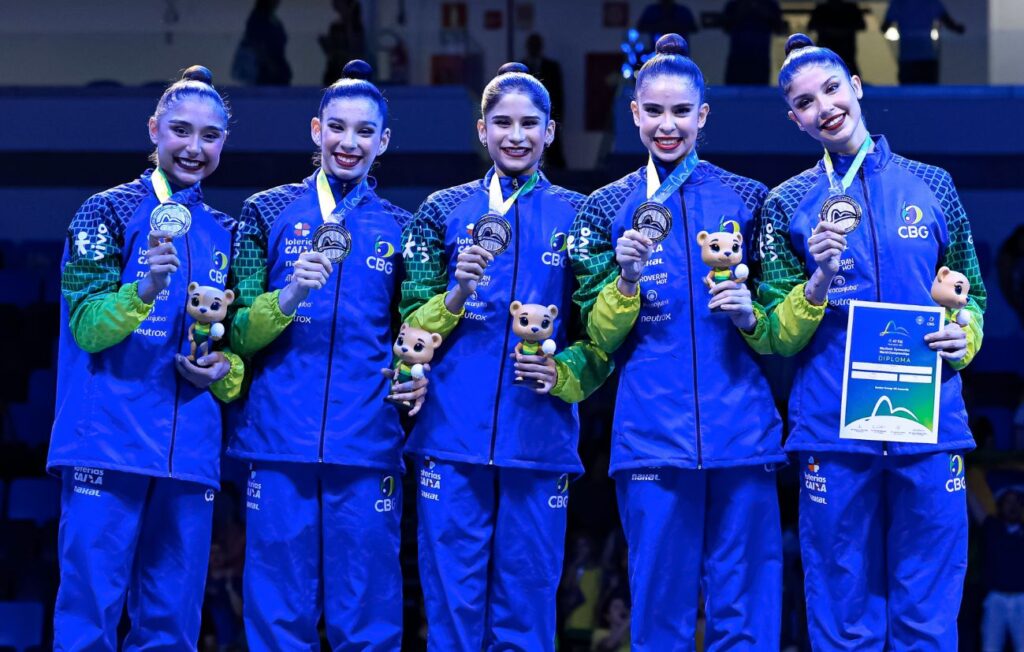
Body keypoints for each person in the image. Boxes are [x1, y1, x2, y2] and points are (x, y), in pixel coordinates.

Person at [760, 33, 987, 648]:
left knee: (928, 612)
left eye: (832, 89)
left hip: (930, 425)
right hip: (833, 433)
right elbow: (776, 334)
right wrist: (818, 281)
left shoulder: (932, 186)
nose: (824, 107)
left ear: (856, 88)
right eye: (806, 103)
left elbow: (976, 297)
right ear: (794, 120)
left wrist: (962, 337)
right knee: (841, 613)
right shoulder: (786, 205)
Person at [569, 33, 785, 650]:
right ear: (634, 112)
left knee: (746, 616)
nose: (668, 126)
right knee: (658, 618)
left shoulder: (749, 200)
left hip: (742, 437)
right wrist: (627, 279)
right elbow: (599, 336)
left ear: (703, 116)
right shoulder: (603, 209)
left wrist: (750, 313)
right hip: (651, 442)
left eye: (682, 112)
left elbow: (777, 331)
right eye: (655, 111)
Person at [399, 62, 612, 651]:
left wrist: (563, 371)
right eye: (502, 123)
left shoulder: (582, 215)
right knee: (452, 611)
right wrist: (455, 295)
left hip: (538, 439)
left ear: (550, 131)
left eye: (529, 123)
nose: (515, 135)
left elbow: (602, 336)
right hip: (450, 436)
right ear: (481, 130)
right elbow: (409, 325)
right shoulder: (439, 212)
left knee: (527, 609)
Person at [227, 60, 421, 649]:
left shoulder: (402, 228)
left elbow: (417, 333)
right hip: (279, 440)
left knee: (368, 617)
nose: (349, 142)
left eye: (365, 132)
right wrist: (288, 296)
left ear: (383, 141)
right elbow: (236, 330)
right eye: (338, 128)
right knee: (277, 619)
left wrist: (417, 374)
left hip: (366, 442)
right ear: (316, 131)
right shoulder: (266, 213)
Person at [47, 65, 243, 649]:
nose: (194, 147)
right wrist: (143, 293)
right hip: (106, 443)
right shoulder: (101, 213)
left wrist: (224, 370)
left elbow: (230, 352)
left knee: (172, 628)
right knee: (89, 617)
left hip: (188, 455)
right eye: (181, 131)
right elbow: (86, 327)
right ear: (154, 129)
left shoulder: (229, 233)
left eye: (209, 137)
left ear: (222, 144)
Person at [969, 487, 1024, 652]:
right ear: (1000, 505)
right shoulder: (992, 527)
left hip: (1022, 599)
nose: (1012, 506)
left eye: (1016, 502)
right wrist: (961, 477)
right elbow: (974, 504)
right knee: (990, 648)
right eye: (1008, 501)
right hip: (995, 599)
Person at [882, 0, 965, 84]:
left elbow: (884, 27)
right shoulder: (931, 2)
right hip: (926, 57)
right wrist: (959, 28)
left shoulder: (899, 3)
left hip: (908, 57)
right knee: (928, 93)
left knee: (908, 93)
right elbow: (949, 23)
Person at [524, 33, 566, 169]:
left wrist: (559, 117)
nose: (534, 48)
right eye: (532, 45)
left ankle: (559, 179)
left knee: (554, 151)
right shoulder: (521, 67)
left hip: (549, 115)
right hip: (525, 116)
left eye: (536, 45)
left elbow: (559, 94)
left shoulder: (552, 67)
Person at [722, 0, 786, 85]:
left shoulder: (770, 5)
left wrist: (763, 12)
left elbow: (779, 28)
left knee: (759, 90)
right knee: (734, 88)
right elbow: (725, 26)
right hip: (738, 58)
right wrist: (743, 10)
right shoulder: (734, 4)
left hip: (760, 58)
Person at [232, 0, 292, 86]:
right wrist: (269, 63)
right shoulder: (258, 18)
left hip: (277, 67)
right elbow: (256, 43)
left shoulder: (272, 19)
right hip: (265, 70)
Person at [808, 0, 866, 77]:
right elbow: (811, 26)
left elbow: (811, 26)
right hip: (841, 47)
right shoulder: (850, 8)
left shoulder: (822, 9)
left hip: (839, 47)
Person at [320, 0, 366, 87]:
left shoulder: (356, 28)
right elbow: (331, 53)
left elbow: (355, 49)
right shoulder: (335, 28)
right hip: (335, 72)